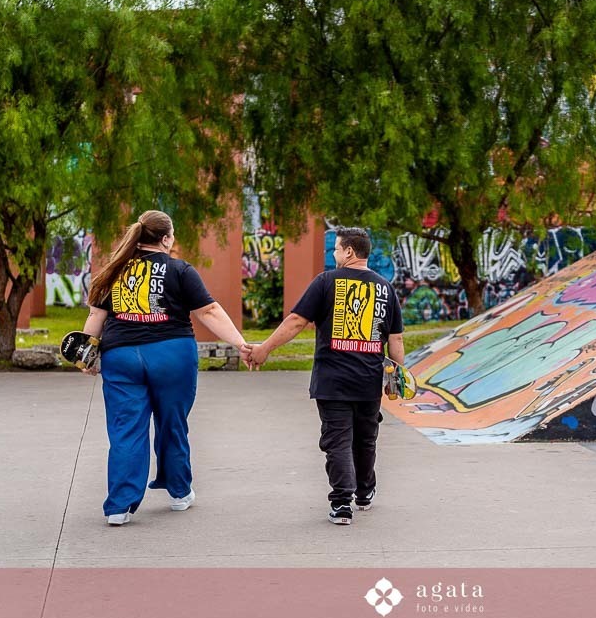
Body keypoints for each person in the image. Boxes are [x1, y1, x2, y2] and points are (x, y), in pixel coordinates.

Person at [81, 210, 251, 526]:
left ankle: (119, 507)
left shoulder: (113, 271)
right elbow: (209, 311)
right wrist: (241, 344)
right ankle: (179, 493)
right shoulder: (179, 269)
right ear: (166, 238)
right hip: (172, 355)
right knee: (172, 422)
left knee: (125, 428)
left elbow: (95, 317)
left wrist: (86, 355)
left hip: (121, 357)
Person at [247, 227, 404, 525]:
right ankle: (364, 493)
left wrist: (264, 349)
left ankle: (342, 503)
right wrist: (395, 379)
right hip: (369, 379)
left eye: (336, 249)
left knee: (338, 440)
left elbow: (296, 321)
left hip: (333, 379)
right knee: (365, 439)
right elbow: (395, 340)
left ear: (349, 251)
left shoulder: (326, 282)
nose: (334, 254)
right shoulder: (386, 288)